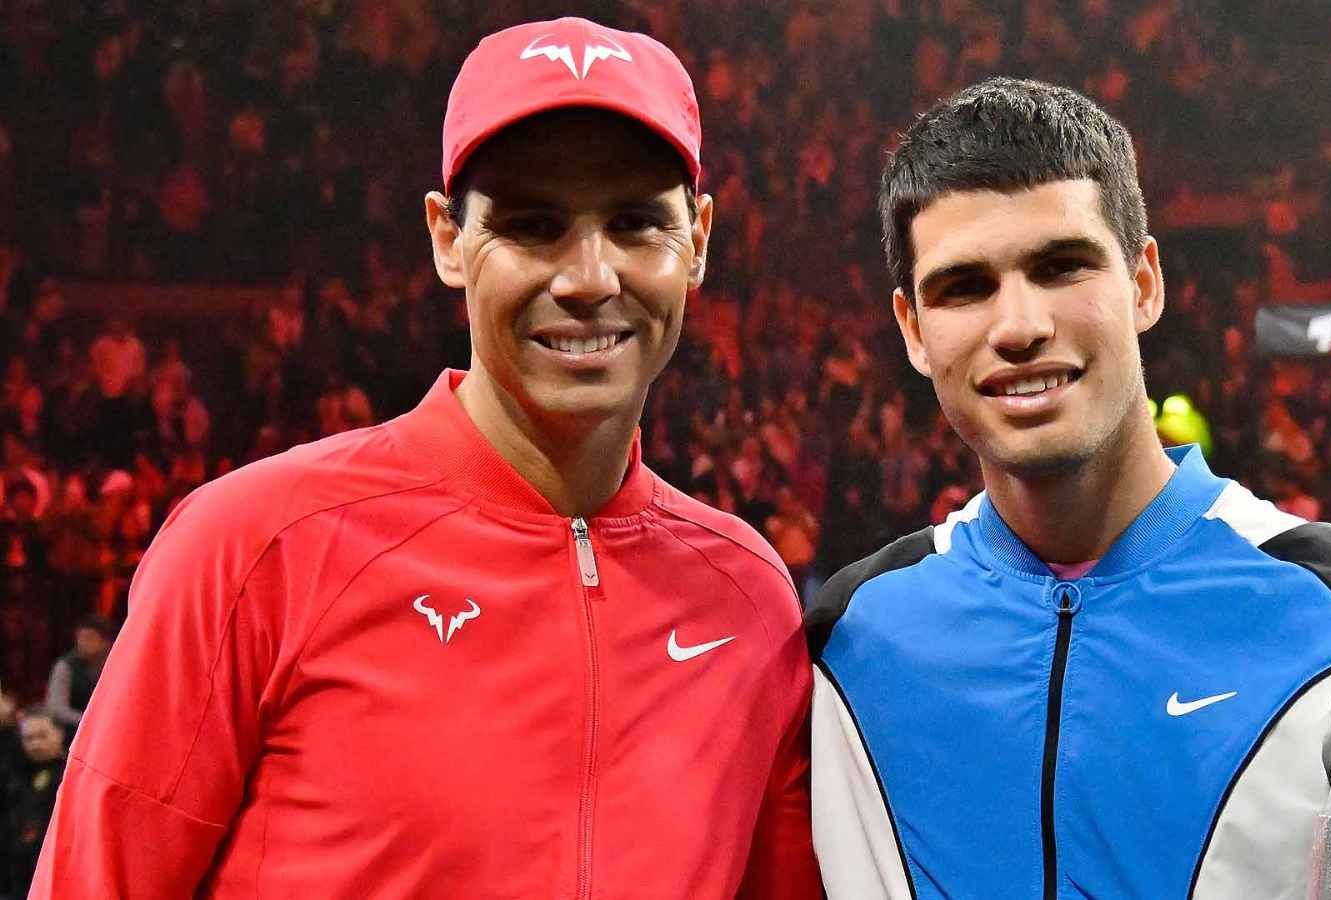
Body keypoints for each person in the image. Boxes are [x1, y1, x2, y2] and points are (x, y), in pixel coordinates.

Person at [31, 18, 819, 898]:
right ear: (448, 239)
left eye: (636, 223)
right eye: (534, 225)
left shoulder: (748, 598)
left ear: (699, 240)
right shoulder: (255, 548)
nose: (590, 275)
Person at [806, 77, 1331, 900]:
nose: (1019, 326)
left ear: (1143, 284)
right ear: (914, 331)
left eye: (1062, 266)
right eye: (965, 286)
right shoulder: (845, 641)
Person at [3, 708, 65, 898]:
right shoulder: (14, 775)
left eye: (42, 736)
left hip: (53, 867)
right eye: (29, 739)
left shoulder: (70, 774)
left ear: (60, 734)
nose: (35, 744)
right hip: (15, 874)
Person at [41, 615, 112, 730]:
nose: (82, 643)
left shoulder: (113, 666)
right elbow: (57, 709)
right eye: (80, 638)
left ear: (105, 642)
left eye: (89, 638)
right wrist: (89, 722)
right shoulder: (65, 666)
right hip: (71, 732)